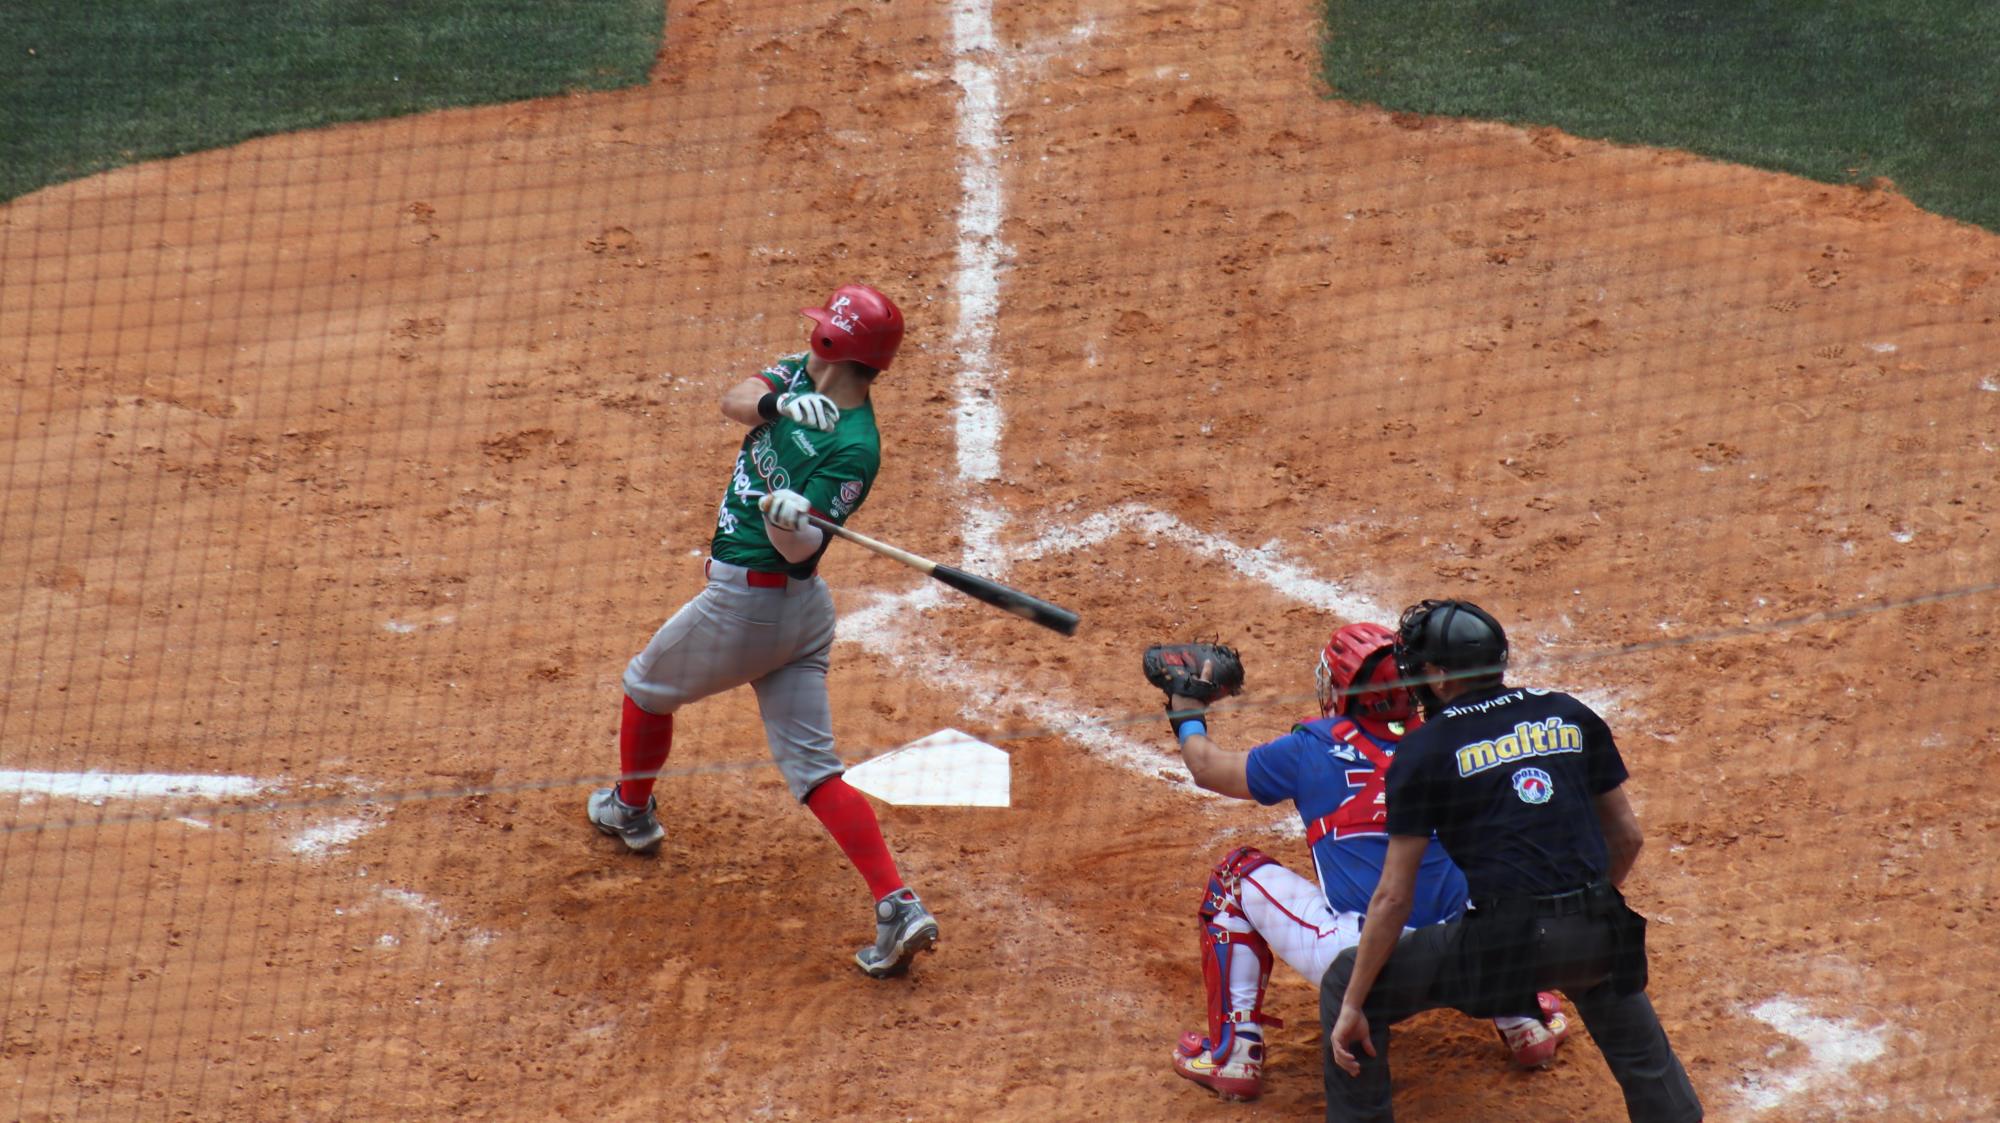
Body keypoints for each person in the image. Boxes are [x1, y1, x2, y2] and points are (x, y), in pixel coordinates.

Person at [586, 282, 941, 979]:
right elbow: (734, 400)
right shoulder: (798, 374)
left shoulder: (855, 448)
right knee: (814, 771)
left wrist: (789, 521)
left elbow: (801, 553)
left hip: (751, 607)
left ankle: (630, 810)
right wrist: (777, 404)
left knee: (644, 687)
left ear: (837, 341)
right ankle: (898, 903)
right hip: (801, 619)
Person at [1322, 599, 1703, 1123]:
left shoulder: (1424, 749)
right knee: (1639, 1049)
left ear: (1436, 675)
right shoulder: (1570, 712)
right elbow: (1628, 839)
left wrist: (1353, 1004)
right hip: (1597, 925)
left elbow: (1393, 896)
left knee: (1347, 979)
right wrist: (1581, 912)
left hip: (1504, 949)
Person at [1163, 623, 1570, 1104]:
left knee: (1234, 876)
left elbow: (1208, 768)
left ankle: (1234, 1055)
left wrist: (1186, 712)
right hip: (1467, 952)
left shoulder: (1309, 747)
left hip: (1359, 959)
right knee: (1494, 851)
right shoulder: (1453, 738)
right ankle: (1525, 1020)